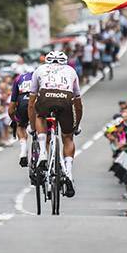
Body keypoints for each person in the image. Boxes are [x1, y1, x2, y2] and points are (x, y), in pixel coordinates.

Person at [28, 50, 83, 197]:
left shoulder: (39, 70)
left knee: (40, 116)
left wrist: (32, 127)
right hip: (66, 99)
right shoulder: (71, 71)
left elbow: (31, 103)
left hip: (46, 97)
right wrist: (76, 125)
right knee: (68, 138)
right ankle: (69, 173)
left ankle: (43, 153)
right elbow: (78, 104)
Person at [8, 68, 34, 169]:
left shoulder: (18, 79)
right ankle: (43, 153)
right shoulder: (40, 76)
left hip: (22, 102)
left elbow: (11, 107)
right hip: (35, 101)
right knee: (41, 123)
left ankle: (23, 150)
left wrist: (14, 120)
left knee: (21, 126)